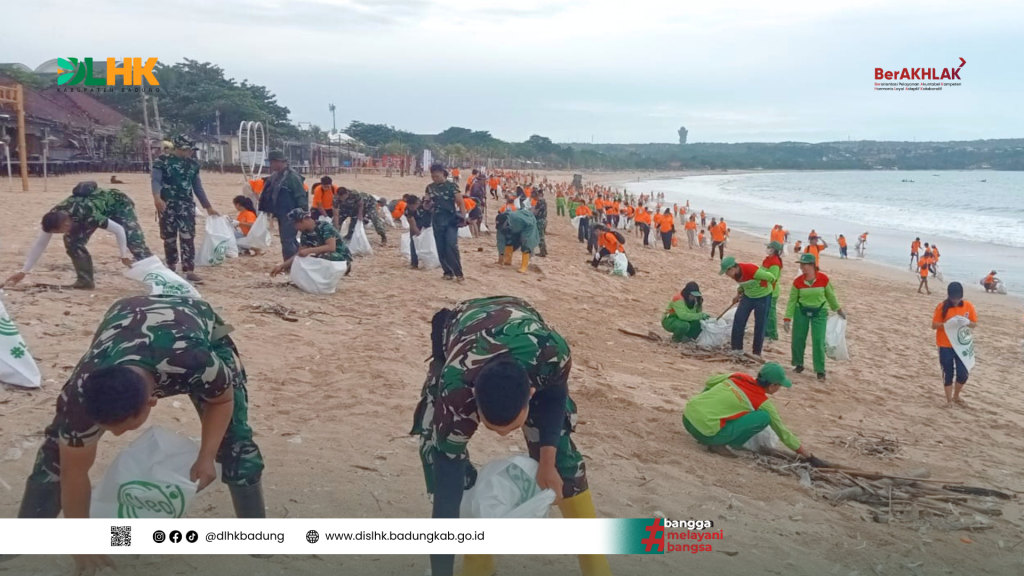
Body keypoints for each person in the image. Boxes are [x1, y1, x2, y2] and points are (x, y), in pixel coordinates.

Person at [15, 296, 266, 574]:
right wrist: (82, 544)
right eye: (108, 426)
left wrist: (207, 456)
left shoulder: (197, 362)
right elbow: (74, 473)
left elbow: (222, 401)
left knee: (235, 442)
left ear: (152, 402)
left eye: (123, 426)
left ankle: (256, 538)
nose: (116, 434)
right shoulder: (79, 393)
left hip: (190, 323)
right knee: (56, 455)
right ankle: (22, 540)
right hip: (127, 315)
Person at [412, 297, 612, 576]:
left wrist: (547, 461)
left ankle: (598, 569)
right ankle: (477, 564)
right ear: (474, 401)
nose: (504, 434)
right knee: (441, 459)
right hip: (461, 327)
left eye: (510, 425)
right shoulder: (456, 390)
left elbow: (554, 397)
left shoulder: (552, 354)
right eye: (492, 427)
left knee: (565, 462)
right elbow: (446, 493)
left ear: (531, 395)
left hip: (523, 322)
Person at [2, 182, 151, 290]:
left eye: (61, 231)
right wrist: (24, 271)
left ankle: (158, 275)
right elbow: (40, 244)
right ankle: (85, 281)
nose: (63, 233)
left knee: (134, 241)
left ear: (66, 224)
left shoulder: (89, 214)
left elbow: (118, 230)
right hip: (86, 213)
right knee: (72, 241)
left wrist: (123, 255)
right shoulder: (54, 216)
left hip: (118, 205)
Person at [682, 363, 820, 463]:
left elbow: (710, 382)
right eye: (779, 386)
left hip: (687, 418)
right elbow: (782, 431)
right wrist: (806, 455)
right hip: (706, 435)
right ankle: (723, 443)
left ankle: (704, 421)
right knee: (763, 417)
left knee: (719, 396)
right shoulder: (762, 402)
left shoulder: (738, 376)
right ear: (772, 386)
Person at [152, 135, 220, 283]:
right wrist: (157, 198)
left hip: (186, 205)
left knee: (188, 237)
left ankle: (189, 270)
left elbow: (197, 187)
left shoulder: (193, 165)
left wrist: (208, 207)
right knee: (169, 237)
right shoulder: (162, 162)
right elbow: (156, 180)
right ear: (177, 148)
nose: (189, 152)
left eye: (191, 150)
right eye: (186, 150)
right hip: (167, 204)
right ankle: (171, 267)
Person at [784, 253, 845, 380]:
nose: (801, 267)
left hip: (820, 312)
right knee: (798, 338)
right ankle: (798, 364)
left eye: (803, 264)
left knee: (818, 340)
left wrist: (838, 309)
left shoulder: (823, 279)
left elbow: (831, 296)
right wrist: (787, 318)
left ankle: (820, 370)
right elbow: (791, 301)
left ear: (812, 265)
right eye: (800, 264)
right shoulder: (797, 282)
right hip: (801, 311)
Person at [258, 150, 308, 262]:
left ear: (278, 162)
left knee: (288, 240)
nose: (270, 165)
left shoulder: (292, 177)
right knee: (287, 240)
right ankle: (294, 262)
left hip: (291, 214)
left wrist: (303, 215)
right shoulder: (276, 176)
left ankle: (290, 264)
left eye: (271, 162)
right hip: (281, 213)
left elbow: (301, 197)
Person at [271, 208, 352, 278]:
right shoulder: (305, 234)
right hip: (327, 258)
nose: (296, 228)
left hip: (341, 258)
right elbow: (299, 254)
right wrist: (281, 266)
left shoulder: (325, 226)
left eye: (296, 224)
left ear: (302, 220)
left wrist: (309, 251)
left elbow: (331, 247)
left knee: (318, 257)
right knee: (304, 260)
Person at [932, 282, 977, 407]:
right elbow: (934, 325)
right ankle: (949, 400)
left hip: (962, 345)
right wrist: (947, 324)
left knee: (963, 373)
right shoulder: (942, 307)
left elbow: (974, 324)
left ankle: (956, 395)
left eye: (958, 298)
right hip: (945, 344)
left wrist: (967, 322)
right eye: (953, 299)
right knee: (948, 372)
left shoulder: (968, 306)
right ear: (949, 296)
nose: (956, 301)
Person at [720, 256, 775, 358]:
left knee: (760, 324)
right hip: (748, 296)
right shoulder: (736, 275)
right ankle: (736, 348)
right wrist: (738, 294)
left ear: (732, 269)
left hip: (763, 296)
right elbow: (743, 285)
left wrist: (765, 287)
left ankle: (756, 352)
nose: (727, 276)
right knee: (739, 319)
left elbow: (771, 277)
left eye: (727, 273)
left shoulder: (751, 269)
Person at [426, 163, 467, 281]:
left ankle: (458, 273)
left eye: (437, 176)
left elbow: (460, 202)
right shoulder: (430, 187)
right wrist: (426, 204)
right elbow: (427, 203)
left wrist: (463, 217)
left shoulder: (452, 186)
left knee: (451, 245)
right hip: (437, 220)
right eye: (433, 176)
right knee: (440, 246)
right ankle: (447, 272)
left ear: (443, 173)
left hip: (451, 220)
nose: (434, 178)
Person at [495, 208, 539, 273]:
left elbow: (529, 223)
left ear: (506, 221)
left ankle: (524, 266)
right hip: (515, 228)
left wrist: (524, 236)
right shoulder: (501, 227)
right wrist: (500, 256)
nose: (501, 227)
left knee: (525, 242)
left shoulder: (517, 218)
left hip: (528, 226)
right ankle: (507, 261)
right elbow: (500, 241)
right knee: (508, 239)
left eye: (502, 225)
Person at [762, 241, 784, 341]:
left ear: (773, 250)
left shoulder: (775, 262)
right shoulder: (768, 259)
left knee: (770, 313)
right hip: (765, 289)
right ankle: (766, 332)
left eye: (769, 247)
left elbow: (773, 278)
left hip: (772, 290)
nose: (767, 248)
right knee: (765, 312)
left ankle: (772, 334)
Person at [405, 195, 431, 269]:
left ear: (417, 203)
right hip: (417, 223)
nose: (412, 208)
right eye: (410, 206)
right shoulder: (408, 210)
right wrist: (419, 236)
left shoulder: (426, 204)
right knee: (414, 241)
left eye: (413, 206)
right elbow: (412, 224)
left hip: (428, 222)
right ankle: (414, 263)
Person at [532, 188, 549, 257]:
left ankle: (542, 252)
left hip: (540, 220)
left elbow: (536, 211)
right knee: (542, 236)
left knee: (540, 236)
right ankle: (544, 250)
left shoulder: (540, 201)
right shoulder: (543, 201)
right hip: (543, 220)